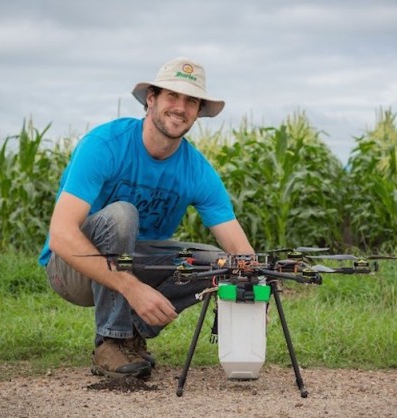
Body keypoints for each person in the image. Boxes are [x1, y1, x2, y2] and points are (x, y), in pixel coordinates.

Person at [38, 57, 255, 379]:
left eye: (191, 101)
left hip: (136, 265)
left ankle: (132, 336)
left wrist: (255, 285)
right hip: (72, 270)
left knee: (221, 262)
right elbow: (61, 235)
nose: (180, 107)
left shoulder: (196, 169)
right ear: (151, 100)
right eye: (172, 96)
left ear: (198, 112)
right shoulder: (105, 145)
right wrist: (131, 288)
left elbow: (241, 251)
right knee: (123, 214)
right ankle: (111, 341)